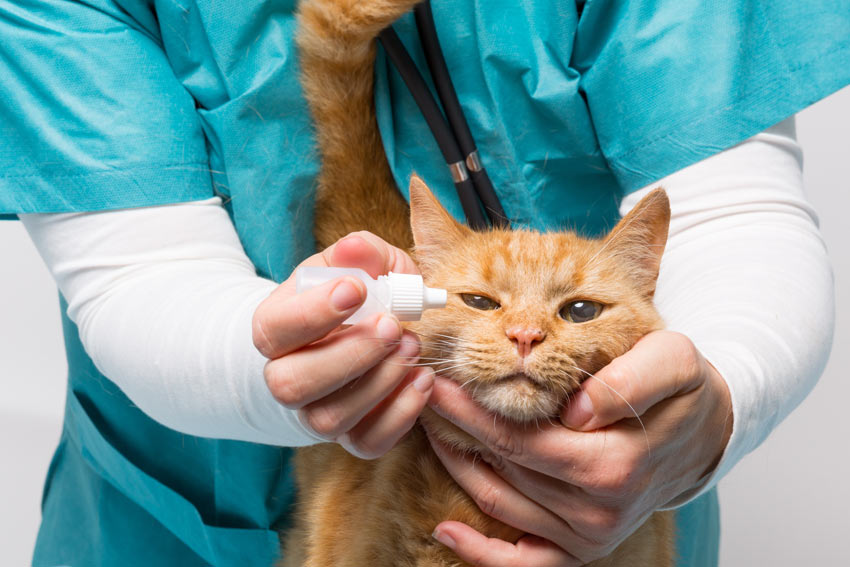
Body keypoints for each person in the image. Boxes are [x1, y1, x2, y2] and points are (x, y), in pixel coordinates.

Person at [1, 1, 847, 566]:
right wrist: (280, 365)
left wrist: (718, 406)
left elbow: (732, 204)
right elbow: (137, 271)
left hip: (617, 510)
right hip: (165, 517)